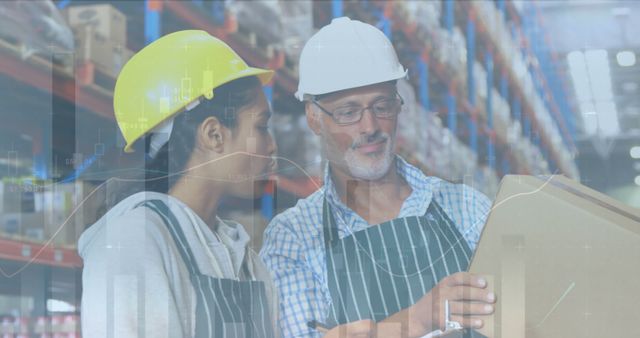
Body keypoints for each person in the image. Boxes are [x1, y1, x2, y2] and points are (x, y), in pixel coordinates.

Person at [260, 17, 496, 338]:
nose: (369, 126)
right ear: (315, 119)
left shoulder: (467, 209)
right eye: (348, 112)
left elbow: (526, 316)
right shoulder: (295, 239)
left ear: (399, 106)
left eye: (382, 106)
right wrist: (417, 320)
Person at [79, 30, 279, 337]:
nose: (272, 145)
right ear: (214, 134)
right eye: (261, 127)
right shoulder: (131, 244)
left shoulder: (243, 258)